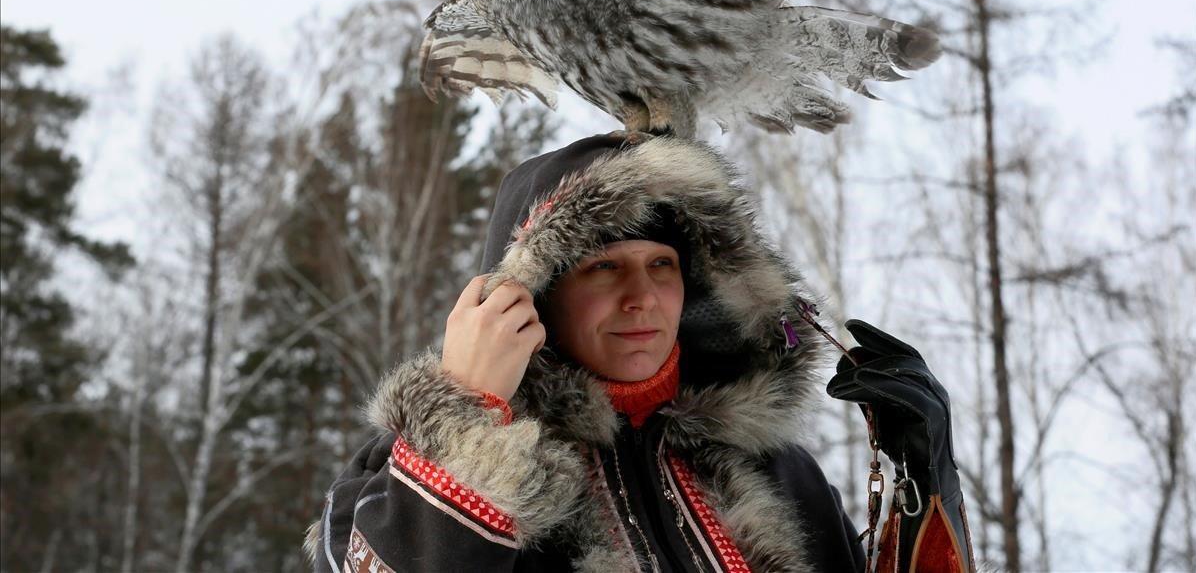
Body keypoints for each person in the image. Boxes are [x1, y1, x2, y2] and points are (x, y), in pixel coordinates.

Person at [307, 133, 974, 572]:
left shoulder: (781, 476)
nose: (642, 297)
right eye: (602, 268)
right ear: (532, 295)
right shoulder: (401, 480)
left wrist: (921, 481)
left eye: (662, 264)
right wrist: (464, 423)